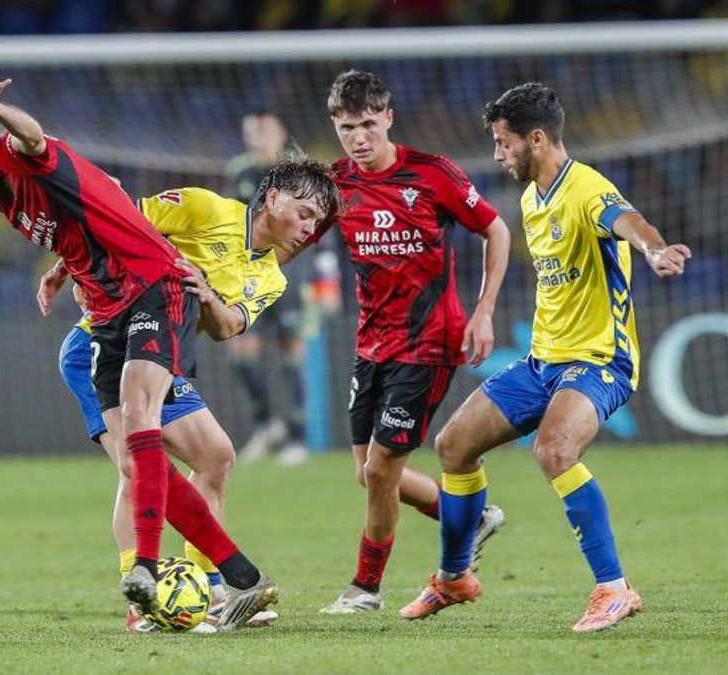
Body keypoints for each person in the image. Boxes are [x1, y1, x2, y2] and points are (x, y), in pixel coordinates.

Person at [0, 50, 278, 630]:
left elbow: (33, 140)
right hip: (107, 315)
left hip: (153, 288)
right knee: (140, 455)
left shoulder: (10, 154)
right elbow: (102, 197)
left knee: (161, 435)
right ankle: (225, 582)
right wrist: (64, 266)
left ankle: (160, 576)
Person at [399, 81, 691, 632]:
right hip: (543, 361)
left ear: (537, 138)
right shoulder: (533, 198)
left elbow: (627, 221)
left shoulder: (585, 188)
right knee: (454, 446)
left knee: (554, 449)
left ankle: (613, 589)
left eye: (504, 143)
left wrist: (654, 250)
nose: (497, 154)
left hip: (600, 359)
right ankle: (454, 576)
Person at [43, 161, 339, 632]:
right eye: (304, 213)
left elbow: (226, 328)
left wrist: (205, 296)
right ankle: (141, 602)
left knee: (215, 456)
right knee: (139, 465)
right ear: (273, 197)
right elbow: (115, 217)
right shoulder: (204, 207)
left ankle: (211, 588)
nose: (308, 229)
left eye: (315, 222)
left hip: (159, 355)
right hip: (98, 344)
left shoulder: (272, 277)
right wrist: (67, 267)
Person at [295, 70, 512, 614]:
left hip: (429, 342)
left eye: (368, 123)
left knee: (382, 471)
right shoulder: (337, 184)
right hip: (371, 344)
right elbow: (292, 241)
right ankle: (468, 515)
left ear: (388, 118)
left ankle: (365, 588)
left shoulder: (432, 174)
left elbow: (497, 229)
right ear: (336, 127)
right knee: (365, 471)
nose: (359, 137)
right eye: (347, 127)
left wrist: (483, 313)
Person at [223, 112, 311, 461]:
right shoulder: (239, 171)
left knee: (292, 354)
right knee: (241, 353)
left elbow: (317, 224)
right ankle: (265, 425)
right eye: (252, 132)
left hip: (290, 275)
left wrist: (325, 275)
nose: (258, 138)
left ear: (280, 133)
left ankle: (297, 439)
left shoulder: (297, 172)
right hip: (248, 278)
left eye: (265, 131)